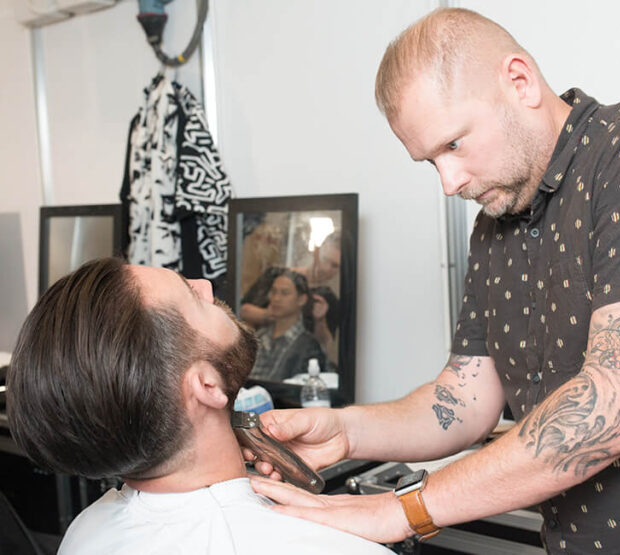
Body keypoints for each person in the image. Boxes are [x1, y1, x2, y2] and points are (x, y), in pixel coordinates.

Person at [246, 7, 620, 552]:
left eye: (453, 145)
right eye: (430, 162)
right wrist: (349, 431)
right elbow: (462, 401)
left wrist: (398, 511)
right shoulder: (494, 230)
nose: (449, 183)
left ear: (519, 81)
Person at [6, 257, 392, 554]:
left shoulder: (84, 533)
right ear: (207, 385)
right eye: (193, 296)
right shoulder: (340, 547)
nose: (206, 286)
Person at [241, 231, 342, 361]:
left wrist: (319, 320)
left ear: (302, 299)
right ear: (317, 252)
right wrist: (271, 315)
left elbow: (325, 345)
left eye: (335, 266)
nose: (326, 268)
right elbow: (243, 310)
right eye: (325, 259)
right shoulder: (276, 274)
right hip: (261, 355)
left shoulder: (328, 299)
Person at [250, 268, 328, 381]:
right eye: (274, 291)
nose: (276, 298)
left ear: (301, 299)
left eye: (284, 293)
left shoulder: (308, 346)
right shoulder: (259, 337)